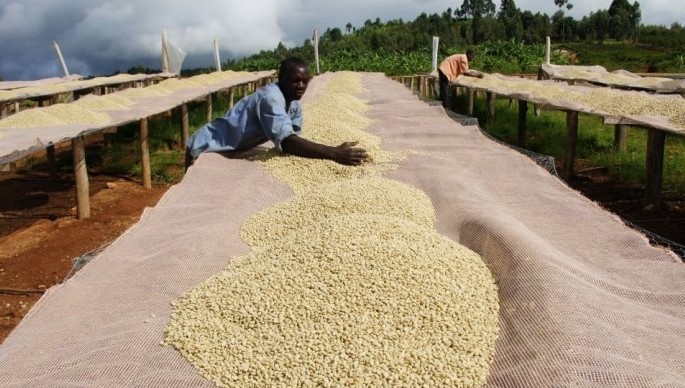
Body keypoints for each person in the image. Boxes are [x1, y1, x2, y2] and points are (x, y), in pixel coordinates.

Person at [185, 57, 368, 168]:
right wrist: (334, 153)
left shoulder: (294, 105)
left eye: (305, 81)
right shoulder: (271, 99)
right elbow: (288, 142)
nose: (301, 86)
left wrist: (327, 150)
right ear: (281, 79)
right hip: (205, 147)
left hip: (231, 149)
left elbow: (293, 138)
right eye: (295, 81)